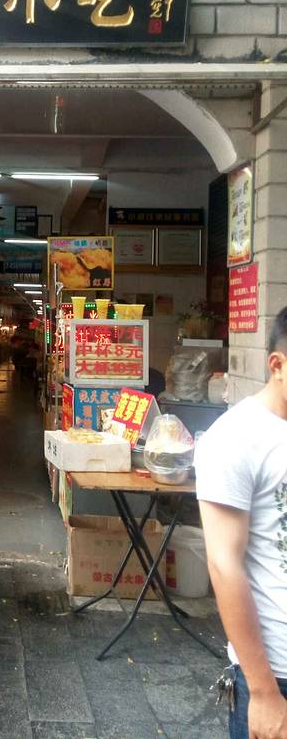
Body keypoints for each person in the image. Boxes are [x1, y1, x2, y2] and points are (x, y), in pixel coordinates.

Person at [195, 308, 287, 739]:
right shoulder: (236, 438)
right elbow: (224, 565)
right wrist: (264, 692)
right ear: (277, 365)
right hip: (277, 673)